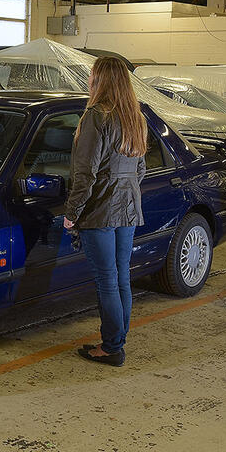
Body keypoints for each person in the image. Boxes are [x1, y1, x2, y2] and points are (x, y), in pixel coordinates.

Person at [62, 56, 146, 367]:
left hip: (100, 209)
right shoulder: (135, 117)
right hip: (128, 207)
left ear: (100, 80)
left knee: (107, 280)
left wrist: (72, 211)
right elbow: (140, 169)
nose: (89, 80)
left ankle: (112, 348)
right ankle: (117, 340)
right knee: (122, 277)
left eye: (92, 75)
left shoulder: (96, 116)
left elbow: (86, 172)